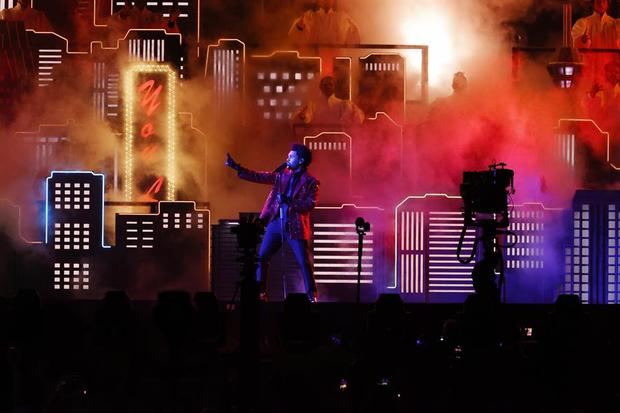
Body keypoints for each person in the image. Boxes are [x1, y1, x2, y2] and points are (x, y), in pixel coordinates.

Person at [225, 144, 320, 303]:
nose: (287, 158)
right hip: (276, 223)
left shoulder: (311, 182)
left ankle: (312, 296)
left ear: (301, 160)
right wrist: (237, 168)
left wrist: (289, 201)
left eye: (291, 156)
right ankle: (260, 295)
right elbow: (260, 176)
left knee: (303, 262)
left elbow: (310, 204)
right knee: (262, 257)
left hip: (294, 226)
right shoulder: (281, 175)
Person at [293, 75, 364, 125]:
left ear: (334, 87)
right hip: (318, 141)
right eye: (325, 85)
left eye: (330, 84)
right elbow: (305, 118)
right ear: (320, 87)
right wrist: (302, 117)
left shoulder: (344, 104)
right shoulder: (312, 104)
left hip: (338, 141)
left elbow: (358, 119)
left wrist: (355, 114)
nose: (328, 87)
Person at [288, 0, 360, 45]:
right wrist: (298, 28)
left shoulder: (342, 18)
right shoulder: (309, 16)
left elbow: (354, 42)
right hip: (315, 59)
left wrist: (352, 31)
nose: (326, 0)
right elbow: (295, 39)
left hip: (336, 60)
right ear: (318, 1)